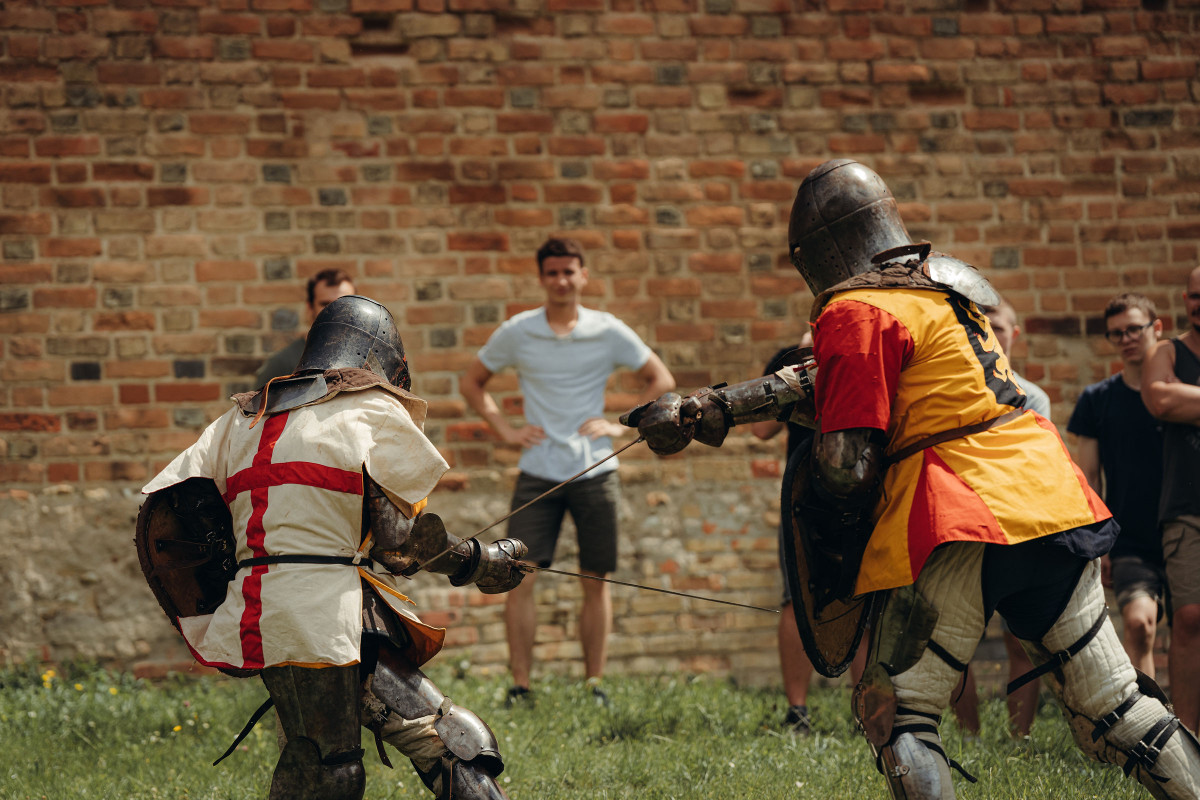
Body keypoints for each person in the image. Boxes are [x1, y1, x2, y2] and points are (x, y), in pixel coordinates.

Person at [628, 160, 1200, 798]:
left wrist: (840, 531)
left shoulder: (855, 308)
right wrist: (713, 407)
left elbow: (845, 464)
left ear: (815, 253)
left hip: (958, 508)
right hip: (1050, 498)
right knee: (1119, 707)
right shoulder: (945, 292)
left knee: (899, 714)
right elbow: (847, 379)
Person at [141, 296, 527, 800]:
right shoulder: (369, 409)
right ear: (378, 356)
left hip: (269, 613)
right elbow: (399, 542)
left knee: (356, 754)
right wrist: (479, 560)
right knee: (340, 767)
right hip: (324, 617)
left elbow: (174, 511)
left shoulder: (236, 420)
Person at [459, 237, 675, 707]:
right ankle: (521, 686)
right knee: (518, 575)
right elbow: (472, 382)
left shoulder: (607, 329)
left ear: (583, 276)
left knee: (595, 579)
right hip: (538, 470)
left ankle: (594, 684)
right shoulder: (519, 331)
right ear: (542, 278)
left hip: (595, 469)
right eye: (552, 273)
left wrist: (619, 425)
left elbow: (661, 380)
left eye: (569, 272)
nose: (561, 281)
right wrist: (505, 430)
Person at [949, 299, 1051, 738]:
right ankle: (968, 738)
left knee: (1021, 640)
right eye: (982, 326)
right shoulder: (954, 392)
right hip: (965, 527)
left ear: (1015, 334)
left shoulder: (1034, 398)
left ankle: (1019, 739)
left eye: (1000, 327)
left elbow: (1038, 469)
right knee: (955, 643)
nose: (991, 333)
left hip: (1018, 528)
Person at [1068, 293, 1165, 680]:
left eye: (1134, 329)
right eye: (1116, 333)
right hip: (1130, 540)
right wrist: (1099, 544)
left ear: (1157, 328)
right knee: (1139, 625)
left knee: (1191, 628)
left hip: (1184, 531)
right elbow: (1089, 479)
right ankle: (1151, 715)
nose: (1126, 339)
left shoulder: (1179, 394)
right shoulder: (1097, 400)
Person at [1142, 265, 1200, 735]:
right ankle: (1187, 735)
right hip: (1185, 506)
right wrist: (1175, 397)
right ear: (1185, 300)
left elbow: (1178, 400)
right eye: (1196, 296)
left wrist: (1190, 402)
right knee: (1189, 616)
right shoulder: (1168, 351)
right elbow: (1160, 399)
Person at [751, 336, 818, 734]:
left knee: (864, 604)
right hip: (804, 490)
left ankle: (867, 714)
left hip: (865, 486)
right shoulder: (793, 356)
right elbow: (761, 430)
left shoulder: (873, 348)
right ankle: (798, 713)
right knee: (796, 598)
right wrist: (797, 370)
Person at [255, 269, 357, 386]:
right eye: (325, 304)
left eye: (344, 303)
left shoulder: (370, 360)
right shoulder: (281, 364)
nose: (335, 310)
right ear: (310, 308)